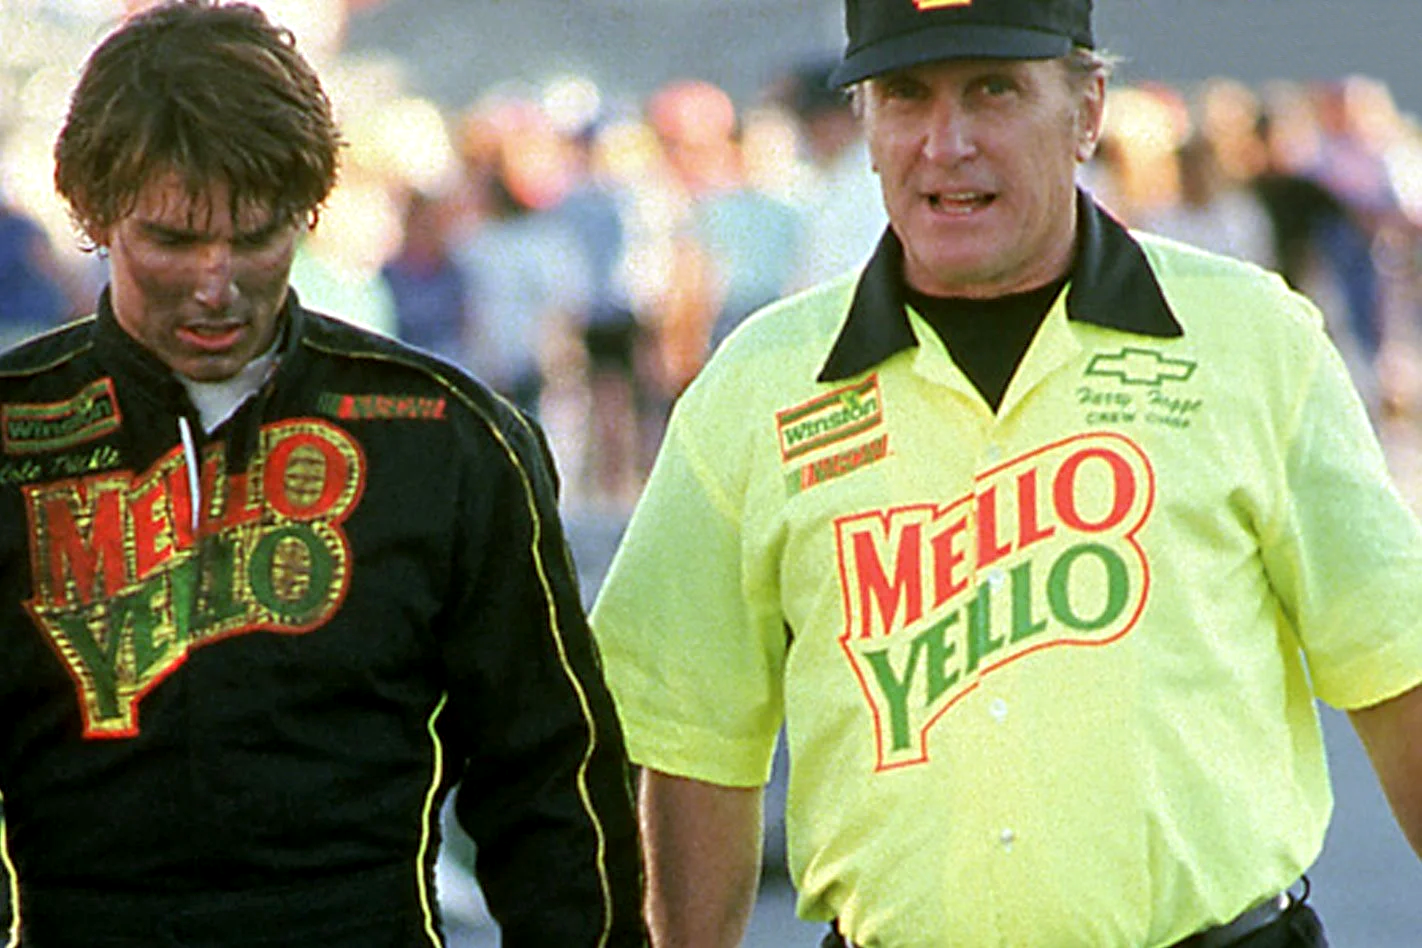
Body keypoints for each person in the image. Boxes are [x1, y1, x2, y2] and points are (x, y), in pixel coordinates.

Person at [588, 1, 1422, 946]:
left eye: (994, 90)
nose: (947, 144)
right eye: (906, 95)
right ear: (864, 124)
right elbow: (693, 740)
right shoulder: (759, 385)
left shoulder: (1251, 340)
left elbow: (1394, 662)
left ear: (1087, 109)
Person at [0, 3, 646, 946]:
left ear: (308, 212)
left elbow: (552, 782)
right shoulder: (12, 434)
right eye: (173, 240)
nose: (217, 283)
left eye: (256, 236)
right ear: (92, 212)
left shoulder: (447, 437)